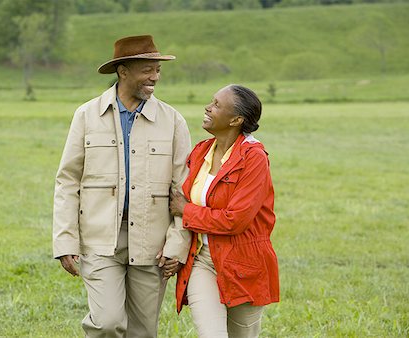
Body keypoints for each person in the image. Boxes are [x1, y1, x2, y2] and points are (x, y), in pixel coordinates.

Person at [52, 35, 191, 338]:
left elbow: (183, 190)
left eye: (158, 70)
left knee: (143, 331)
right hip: (99, 239)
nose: (154, 77)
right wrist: (65, 241)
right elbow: (67, 180)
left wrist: (177, 244)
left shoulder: (174, 121)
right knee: (106, 323)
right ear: (123, 71)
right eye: (147, 70)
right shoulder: (86, 115)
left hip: (153, 243)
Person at [169, 84, 279, 338]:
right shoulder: (200, 152)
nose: (208, 107)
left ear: (236, 119)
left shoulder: (254, 158)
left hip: (244, 264)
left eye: (217, 104)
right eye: (211, 101)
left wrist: (187, 211)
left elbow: (235, 221)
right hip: (202, 261)